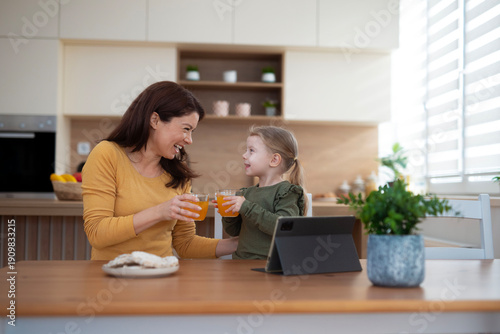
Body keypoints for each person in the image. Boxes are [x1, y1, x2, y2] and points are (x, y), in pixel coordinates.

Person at [82, 81, 237, 261]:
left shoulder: (179, 175)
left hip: (162, 276)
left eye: (192, 131)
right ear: (155, 120)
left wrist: (237, 244)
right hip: (113, 275)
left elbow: (185, 244)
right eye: (186, 129)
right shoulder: (107, 154)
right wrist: (159, 212)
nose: (189, 140)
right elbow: (97, 233)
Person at [219, 125, 306, 259]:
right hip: (240, 264)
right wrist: (229, 214)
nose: (244, 155)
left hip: (271, 267)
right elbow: (234, 231)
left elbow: (284, 228)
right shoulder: (246, 193)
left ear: (274, 160)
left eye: (251, 151)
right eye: (246, 150)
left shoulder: (287, 192)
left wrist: (246, 207)